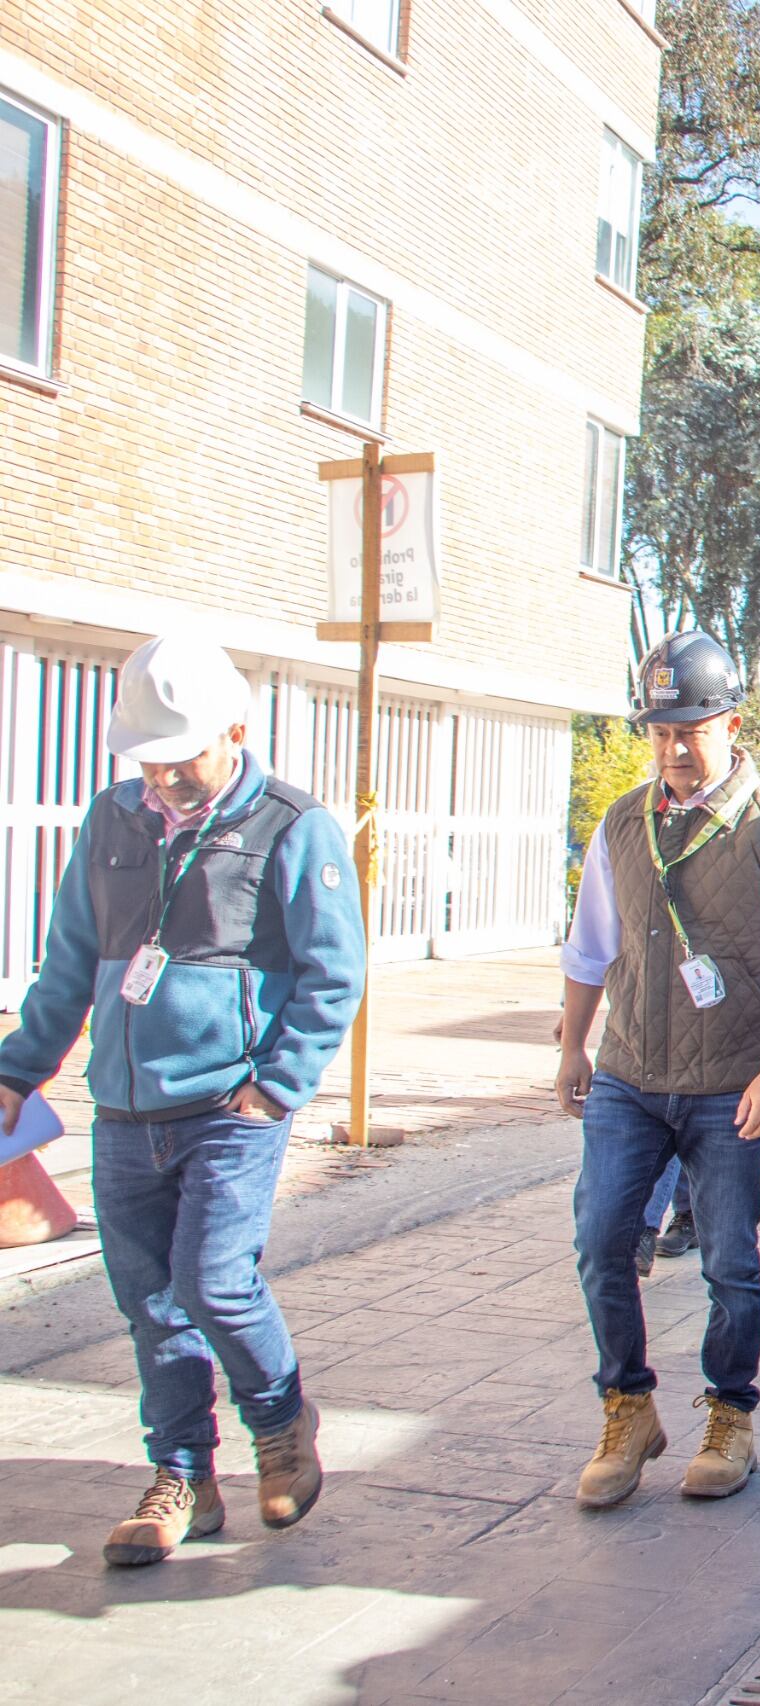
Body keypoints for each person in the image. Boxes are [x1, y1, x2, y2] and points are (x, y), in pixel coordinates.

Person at [0, 635, 362, 1566]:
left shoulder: (291, 825)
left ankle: (280, 1424)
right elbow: (69, 964)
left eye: (183, 756)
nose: (163, 777)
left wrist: (273, 1088)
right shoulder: (111, 820)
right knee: (150, 1303)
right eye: (149, 760)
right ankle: (183, 1478)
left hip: (228, 1109)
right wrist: (16, 1072)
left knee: (213, 1281)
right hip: (124, 1109)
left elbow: (332, 978)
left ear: (235, 730)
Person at [554, 631, 760, 1509]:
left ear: (732, 724)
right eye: (661, 730)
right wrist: (572, 1043)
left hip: (727, 1086)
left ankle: (729, 1413)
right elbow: (591, 943)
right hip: (630, 1075)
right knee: (602, 1239)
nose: (675, 748)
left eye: (692, 729)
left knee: (729, 1261)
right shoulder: (623, 823)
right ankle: (628, 1404)